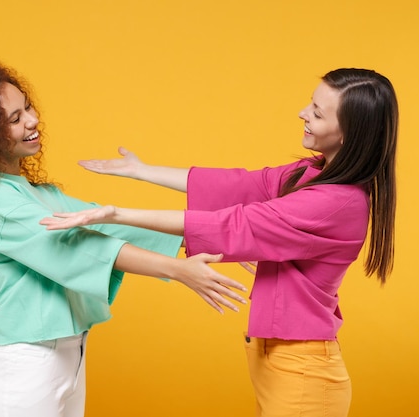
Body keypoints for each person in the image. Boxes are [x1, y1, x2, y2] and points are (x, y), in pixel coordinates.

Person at [40, 68, 398, 417]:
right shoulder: (309, 173)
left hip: (303, 371)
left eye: (318, 113)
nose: (303, 114)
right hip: (278, 362)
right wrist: (142, 170)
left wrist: (115, 214)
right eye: (310, 103)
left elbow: (234, 224)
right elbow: (241, 186)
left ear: (349, 135)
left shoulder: (338, 202)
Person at [0, 61, 247, 417]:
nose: (32, 121)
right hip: (24, 366)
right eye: (15, 118)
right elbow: (79, 246)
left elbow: (109, 225)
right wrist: (177, 269)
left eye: (28, 107)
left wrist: (217, 237)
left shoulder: (35, 193)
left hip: (67, 357)